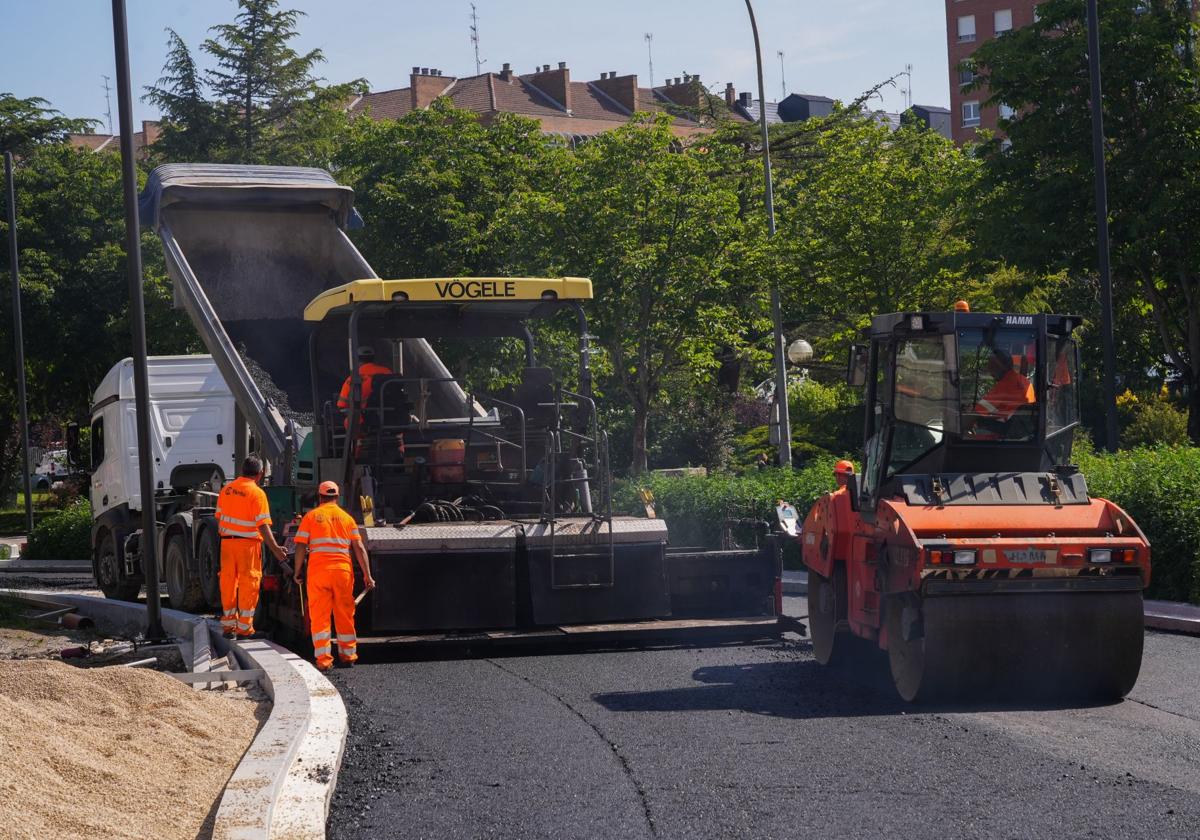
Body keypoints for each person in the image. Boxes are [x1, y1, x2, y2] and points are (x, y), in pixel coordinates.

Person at [292, 480, 376, 672]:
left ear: (320, 497)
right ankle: (348, 656)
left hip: (318, 572)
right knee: (345, 614)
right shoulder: (347, 519)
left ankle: (323, 660)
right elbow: (359, 548)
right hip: (342, 572)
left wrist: (297, 572)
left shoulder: (311, 517)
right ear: (337, 497)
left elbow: (300, 546)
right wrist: (367, 575)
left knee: (320, 616)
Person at [214, 456, 287, 639]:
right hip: (248, 546)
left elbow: (219, 517)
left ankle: (229, 627)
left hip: (227, 544)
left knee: (228, 583)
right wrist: (276, 549)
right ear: (260, 474)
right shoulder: (257, 493)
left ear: (242, 470)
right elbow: (263, 525)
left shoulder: (226, 490)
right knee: (249, 584)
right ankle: (244, 629)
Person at [973, 349, 1035, 423]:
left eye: (992, 366)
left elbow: (977, 413)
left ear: (1001, 366)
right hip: (1024, 428)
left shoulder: (1005, 385)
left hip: (1009, 431)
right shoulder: (1025, 381)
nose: (990, 371)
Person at [337, 346, 393, 426]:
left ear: (357, 359)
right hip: (389, 417)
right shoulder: (387, 372)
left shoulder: (352, 378)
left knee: (347, 420)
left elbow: (342, 404)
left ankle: (357, 438)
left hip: (366, 421)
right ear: (373, 358)